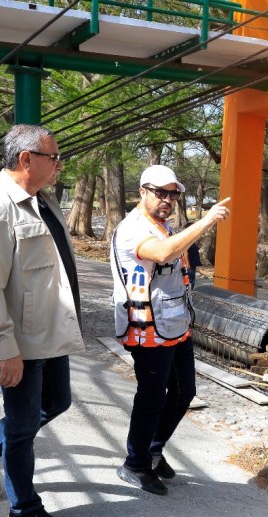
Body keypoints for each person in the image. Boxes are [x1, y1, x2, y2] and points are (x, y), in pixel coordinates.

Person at [0, 124, 83, 517]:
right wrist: (4, 349)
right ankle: (23, 507)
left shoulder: (43, 202)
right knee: (24, 425)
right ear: (27, 159)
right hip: (20, 341)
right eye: (54, 157)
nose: (59, 164)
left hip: (50, 330)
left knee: (58, 402)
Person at [110, 165, 230, 495]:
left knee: (184, 392)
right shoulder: (134, 228)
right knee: (151, 397)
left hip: (174, 322)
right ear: (142, 192)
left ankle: (152, 448)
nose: (167, 199)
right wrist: (206, 221)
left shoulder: (163, 224)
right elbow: (162, 252)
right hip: (146, 327)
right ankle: (135, 464)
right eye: (160, 192)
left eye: (173, 194)